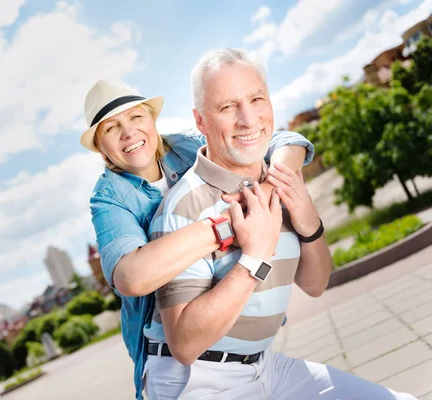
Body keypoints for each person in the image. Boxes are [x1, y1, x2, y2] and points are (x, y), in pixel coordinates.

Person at [143, 48, 417, 399]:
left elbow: (316, 284)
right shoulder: (183, 207)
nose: (248, 119)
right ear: (200, 122)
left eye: (256, 99)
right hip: (196, 381)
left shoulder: (277, 177)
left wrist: (309, 224)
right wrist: (254, 257)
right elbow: (184, 344)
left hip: (263, 366)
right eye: (227, 107)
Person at [81, 78, 315, 399]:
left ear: (152, 120)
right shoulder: (109, 197)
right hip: (178, 367)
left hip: (231, 340)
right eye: (111, 128)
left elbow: (287, 139)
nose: (128, 132)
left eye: (136, 117)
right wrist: (227, 226)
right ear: (99, 145)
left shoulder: (188, 146)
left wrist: (270, 188)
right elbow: (131, 277)